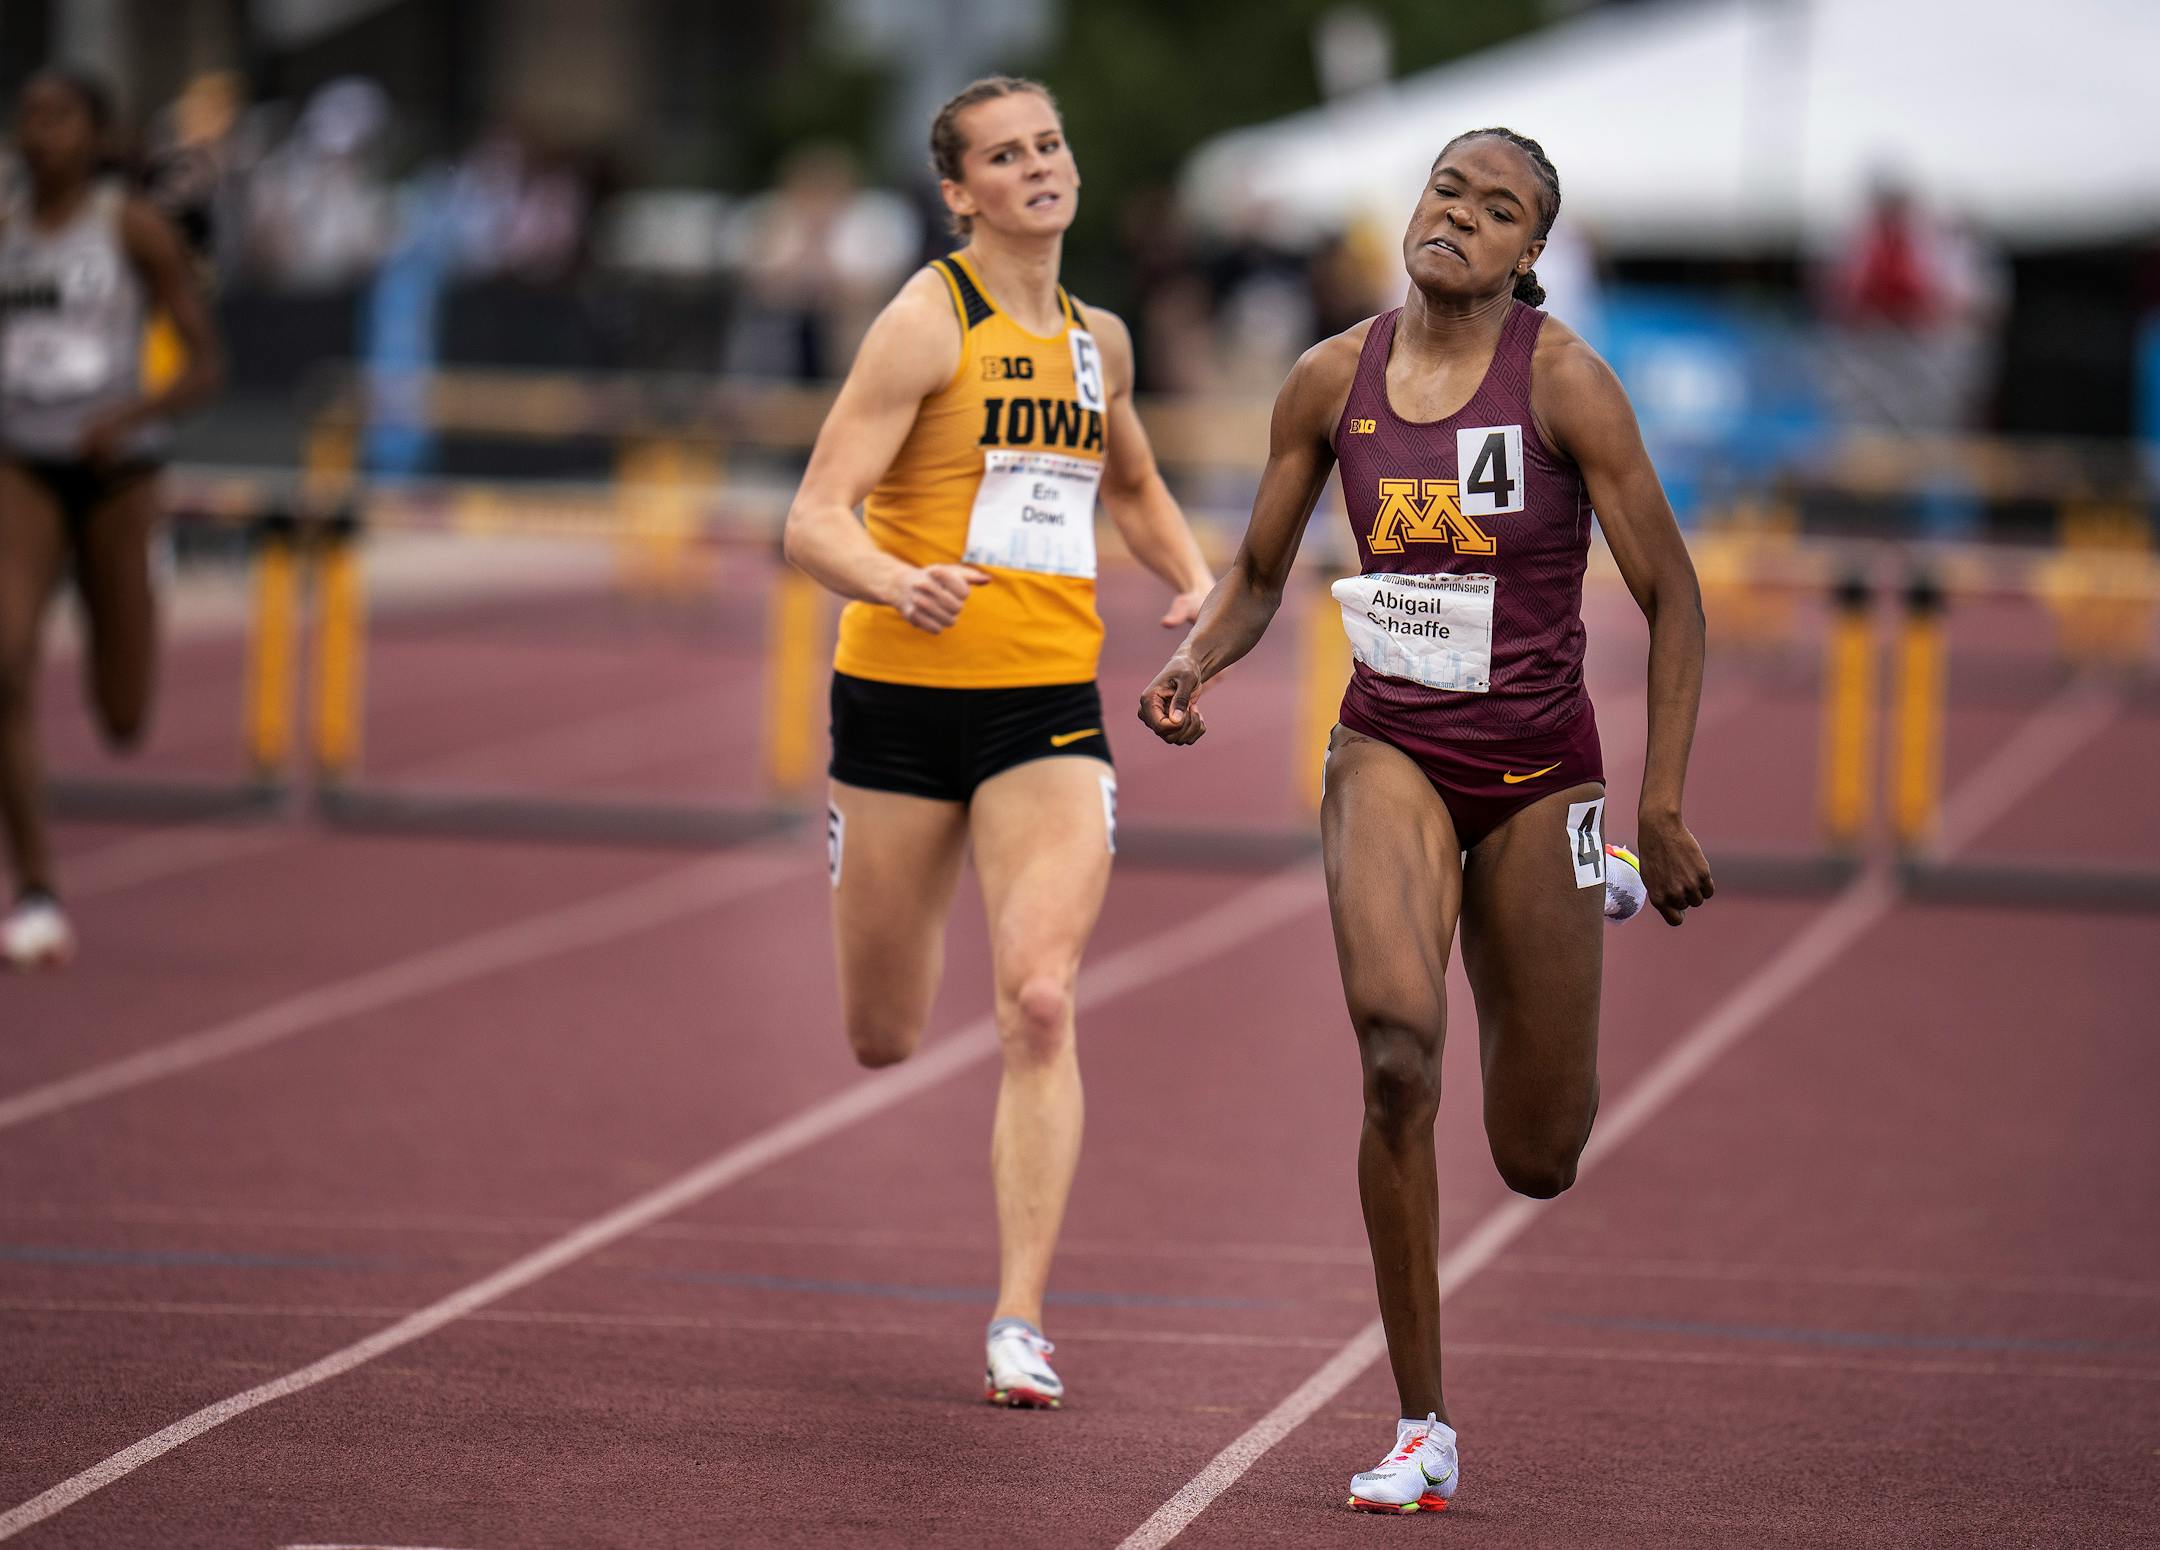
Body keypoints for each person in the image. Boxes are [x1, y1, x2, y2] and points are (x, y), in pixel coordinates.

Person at [1139, 128, 1713, 1510]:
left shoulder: (1568, 385)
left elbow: (1675, 598)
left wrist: (1666, 797)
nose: (1457, 215)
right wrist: (1192, 660)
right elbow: (1263, 571)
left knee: (1539, 1155)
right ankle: (1422, 1423)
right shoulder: (1332, 377)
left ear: (1530, 253)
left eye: (1495, 207)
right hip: (1389, 746)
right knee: (1397, 1055)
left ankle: (1603, 877)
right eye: (1447, 189)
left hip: (1539, 778)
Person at [782, 77, 1212, 1408]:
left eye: (1050, 144)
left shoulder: (1102, 342)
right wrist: (888, 579)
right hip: (900, 706)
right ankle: (886, 969)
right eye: (1005, 156)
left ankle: (1019, 1319)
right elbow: (811, 517)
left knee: (1039, 997)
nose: (1039, 167)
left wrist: (1193, 590)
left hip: (1046, 705)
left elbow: (1130, 482)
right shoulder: (926, 321)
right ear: (959, 191)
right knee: (883, 1034)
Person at [0, 68, 226, 968]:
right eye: (28, 116)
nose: (39, 132)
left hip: (117, 473)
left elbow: (208, 366)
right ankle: (38, 887)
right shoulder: (5, 233)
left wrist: (128, 418)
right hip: (21, 464)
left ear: (97, 136)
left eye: (59, 118)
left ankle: (137, 597)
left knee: (124, 714)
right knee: (4, 660)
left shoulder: (131, 228)